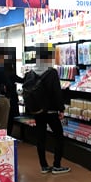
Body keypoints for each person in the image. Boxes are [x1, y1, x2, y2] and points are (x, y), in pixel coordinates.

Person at [31, 43, 70, 174]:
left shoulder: (31, 72)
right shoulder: (51, 72)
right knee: (59, 137)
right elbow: (57, 93)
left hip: (38, 111)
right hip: (51, 111)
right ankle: (57, 165)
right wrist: (61, 109)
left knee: (40, 138)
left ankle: (43, 166)